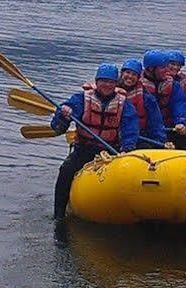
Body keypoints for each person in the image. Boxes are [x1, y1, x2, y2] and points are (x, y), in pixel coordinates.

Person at [49, 63, 139, 219]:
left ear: (115, 84)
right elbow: (57, 127)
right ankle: (59, 215)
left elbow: (130, 128)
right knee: (65, 171)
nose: (106, 85)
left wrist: (127, 149)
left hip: (111, 150)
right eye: (103, 81)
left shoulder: (124, 104)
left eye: (110, 82)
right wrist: (63, 114)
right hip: (84, 149)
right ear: (96, 82)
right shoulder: (81, 99)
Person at [117, 57, 165, 149]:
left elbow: (156, 123)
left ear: (138, 78)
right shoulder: (110, 92)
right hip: (110, 139)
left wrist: (160, 142)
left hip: (138, 137)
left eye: (134, 74)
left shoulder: (147, 98)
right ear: (122, 74)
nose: (130, 76)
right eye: (127, 72)